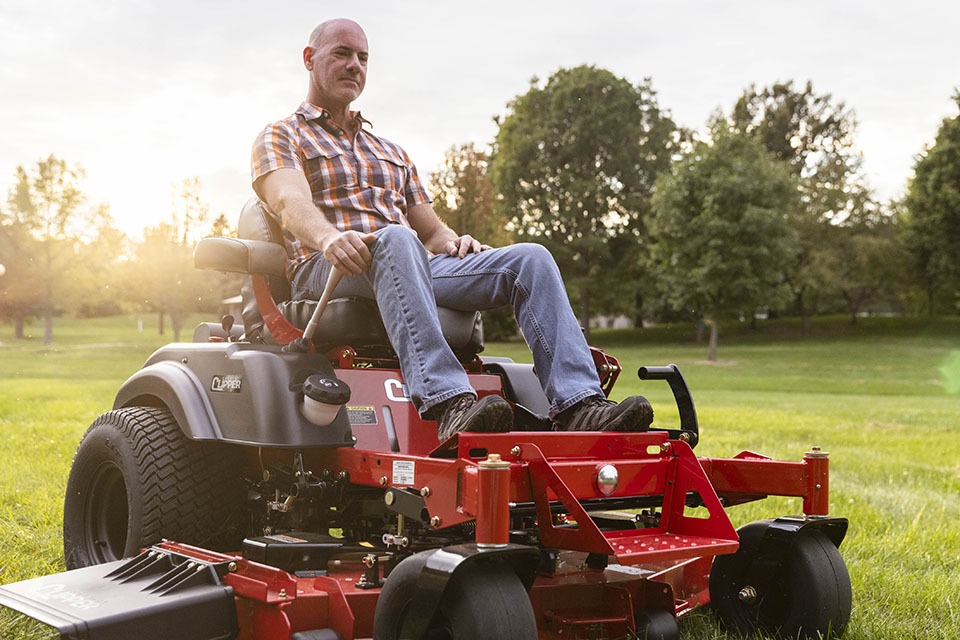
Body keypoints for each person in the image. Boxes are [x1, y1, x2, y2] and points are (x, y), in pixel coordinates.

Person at [251, 18, 653, 440]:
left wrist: (454, 241)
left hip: (408, 262)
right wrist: (329, 237)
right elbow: (287, 200)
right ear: (310, 59)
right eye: (342, 54)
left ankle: (580, 404)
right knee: (396, 238)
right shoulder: (282, 134)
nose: (355, 65)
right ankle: (449, 403)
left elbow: (431, 233)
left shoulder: (390, 151)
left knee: (530, 258)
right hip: (330, 268)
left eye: (363, 58)